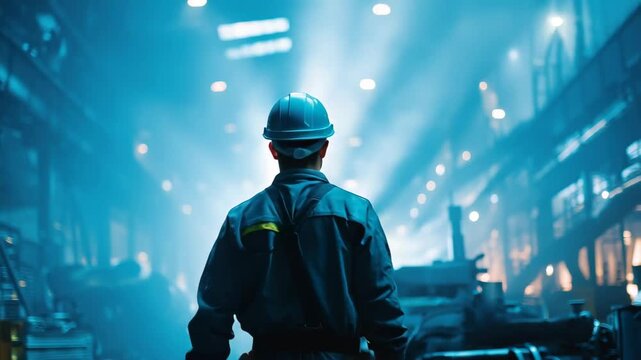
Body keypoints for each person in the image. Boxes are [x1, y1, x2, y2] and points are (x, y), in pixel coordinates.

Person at [186, 93, 407, 360]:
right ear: (324, 147)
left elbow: (213, 312)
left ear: (273, 149)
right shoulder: (357, 213)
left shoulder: (242, 219)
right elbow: (382, 306)